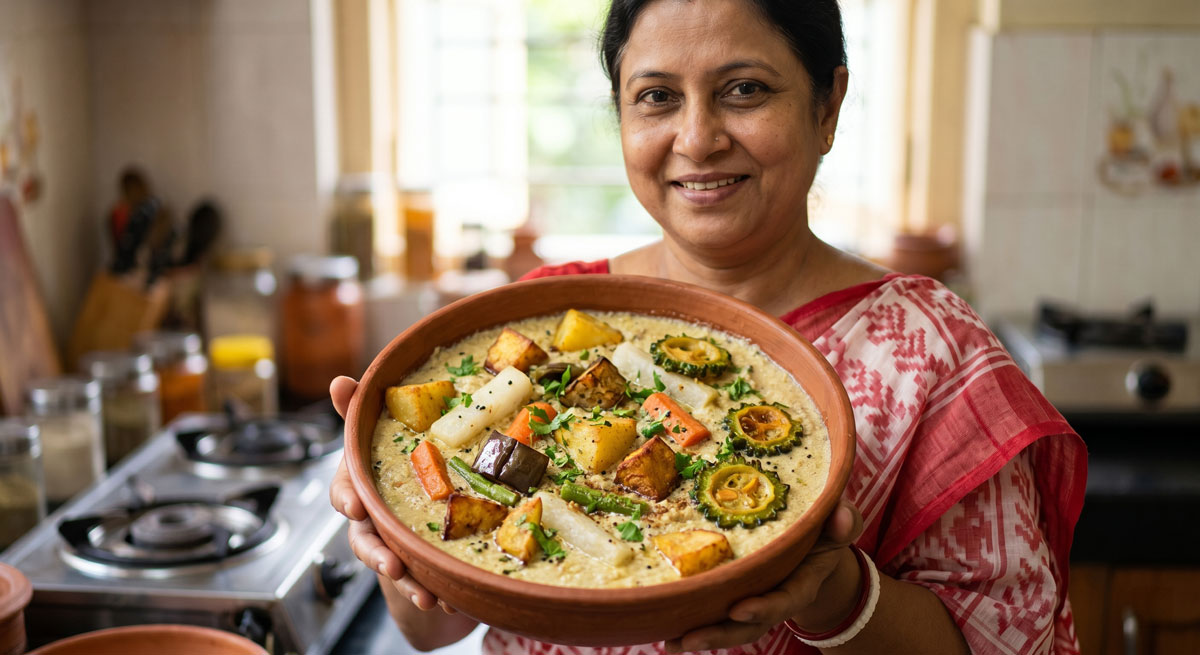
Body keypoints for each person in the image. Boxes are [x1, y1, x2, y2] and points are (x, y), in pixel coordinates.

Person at [328, 0, 1088, 652]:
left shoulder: (934, 350)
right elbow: (431, 630)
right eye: (657, 97)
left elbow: (1009, 636)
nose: (696, 138)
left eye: (745, 89)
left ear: (827, 106)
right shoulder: (548, 317)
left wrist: (835, 593)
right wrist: (395, 536)